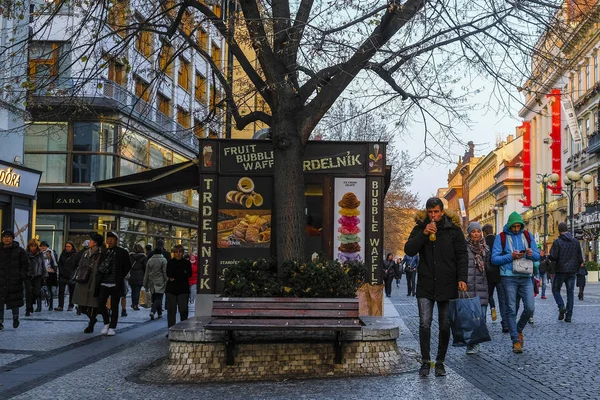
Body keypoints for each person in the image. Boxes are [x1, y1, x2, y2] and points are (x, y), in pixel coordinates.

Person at [405, 197, 467, 377]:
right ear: (427, 212)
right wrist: (423, 234)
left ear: (442, 211)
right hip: (425, 283)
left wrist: (462, 278)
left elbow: (462, 255)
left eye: (436, 212)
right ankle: (425, 361)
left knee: (445, 325)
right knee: (424, 323)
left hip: (448, 283)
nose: (433, 216)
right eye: (430, 212)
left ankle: (440, 361)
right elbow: (409, 250)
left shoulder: (453, 230)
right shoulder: (419, 228)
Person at [491, 212, 540, 354]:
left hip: (525, 276)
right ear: (510, 225)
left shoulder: (527, 235)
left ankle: (518, 329)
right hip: (509, 277)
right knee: (511, 309)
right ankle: (515, 341)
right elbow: (494, 259)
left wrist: (531, 253)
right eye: (514, 226)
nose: (517, 229)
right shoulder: (501, 237)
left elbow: (537, 256)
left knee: (530, 308)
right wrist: (510, 256)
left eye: (519, 226)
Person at [97, 232, 131, 336]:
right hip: (104, 282)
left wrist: (120, 276)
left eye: (112, 238)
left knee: (114, 306)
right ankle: (106, 323)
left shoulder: (122, 252)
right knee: (101, 303)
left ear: (116, 240)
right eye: (108, 239)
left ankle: (112, 326)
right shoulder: (104, 252)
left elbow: (127, 266)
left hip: (115, 283)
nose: (109, 241)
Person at [548, 222, 583, 323]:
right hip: (572, 271)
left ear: (559, 231)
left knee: (555, 289)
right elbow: (580, 258)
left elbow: (553, 257)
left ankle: (561, 306)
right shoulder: (576, 242)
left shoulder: (557, 242)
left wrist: (549, 258)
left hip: (560, 270)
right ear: (567, 230)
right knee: (570, 293)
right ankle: (569, 316)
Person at [464, 222, 491, 355]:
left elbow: (489, 269)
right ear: (469, 233)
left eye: (478, 231)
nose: (476, 233)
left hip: (482, 287)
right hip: (467, 287)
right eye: (473, 231)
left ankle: (477, 341)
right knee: (470, 318)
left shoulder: (485, 249)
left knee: (481, 317)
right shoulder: (463, 248)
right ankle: (470, 344)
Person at [73, 233, 106, 333]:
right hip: (84, 281)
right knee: (82, 305)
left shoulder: (102, 253)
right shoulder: (86, 252)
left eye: (91, 240)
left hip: (95, 282)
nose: (89, 242)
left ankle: (91, 323)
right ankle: (92, 319)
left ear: (96, 243)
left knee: (93, 305)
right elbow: (80, 264)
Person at [482, 224, 508, 333]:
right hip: (500, 274)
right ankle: (505, 323)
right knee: (503, 300)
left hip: (488, 275)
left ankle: (483, 323)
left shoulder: (484, 243)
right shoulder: (499, 241)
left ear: (484, 232)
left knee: (487, 297)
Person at [0, 230, 28, 330]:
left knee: (14, 301)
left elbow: (25, 265)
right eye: (4, 237)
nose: (6, 239)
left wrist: (21, 275)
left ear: (12, 238)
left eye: (8, 237)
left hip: (14, 280)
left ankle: (15, 317)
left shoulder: (20, 251)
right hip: (1, 280)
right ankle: (0, 322)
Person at [166, 244, 192, 334]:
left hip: (183, 289)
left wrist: (176, 276)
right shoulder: (170, 262)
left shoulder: (186, 263)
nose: (178, 254)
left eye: (180, 252)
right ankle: (171, 330)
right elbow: (169, 273)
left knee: (183, 310)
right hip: (171, 289)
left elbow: (188, 274)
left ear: (183, 253)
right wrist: (180, 274)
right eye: (176, 252)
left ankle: (182, 329)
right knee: (171, 311)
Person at [144, 248, 168, 320]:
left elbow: (146, 272)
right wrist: (167, 280)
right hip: (160, 281)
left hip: (151, 281)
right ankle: (153, 311)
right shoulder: (163, 260)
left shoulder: (150, 260)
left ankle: (160, 313)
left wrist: (145, 282)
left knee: (154, 298)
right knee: (159, 298)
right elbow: (164, 272)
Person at [25, 239, 46, 315]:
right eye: (32, 246)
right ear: (29, 246)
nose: (33, 247)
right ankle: (28, 308)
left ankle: (36, 306)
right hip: (28, 275)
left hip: (38, 275)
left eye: (35, 246)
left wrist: (45, 274)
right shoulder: (26, 254)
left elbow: (43, 264)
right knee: (28, 292)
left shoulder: (40, 254)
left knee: (36, 292)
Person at [56, 241, 78, 311]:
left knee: (71, 291)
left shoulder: (75, 255)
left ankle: (71, 305)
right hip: (62, 275)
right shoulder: (63, 254)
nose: (67, 248)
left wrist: (73, 273)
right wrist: (62, 271)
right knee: (61, 291)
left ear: (72, 247)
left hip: (71, 275)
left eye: (69, 246)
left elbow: (77, 266)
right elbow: (60, 264)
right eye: (66, 246)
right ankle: (60, 306)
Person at [39, 241, 58, 310]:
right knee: (40, 289)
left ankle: (51, 305)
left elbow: (55, 263)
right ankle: (39, 306)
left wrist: (53, 269)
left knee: (49, 289)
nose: (43, 247)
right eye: (42, 246)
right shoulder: (39, 253)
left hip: (49, 273)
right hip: (41, 272)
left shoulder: (51, 252)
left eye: (44, 246)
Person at [128, 244, 147, 310]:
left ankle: (133, 303)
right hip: (140, 275)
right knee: (137, 291)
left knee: (133, 290)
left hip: (132, 275)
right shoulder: (143, 257)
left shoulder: (130, 256)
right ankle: (135, 304)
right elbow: (145, 267)